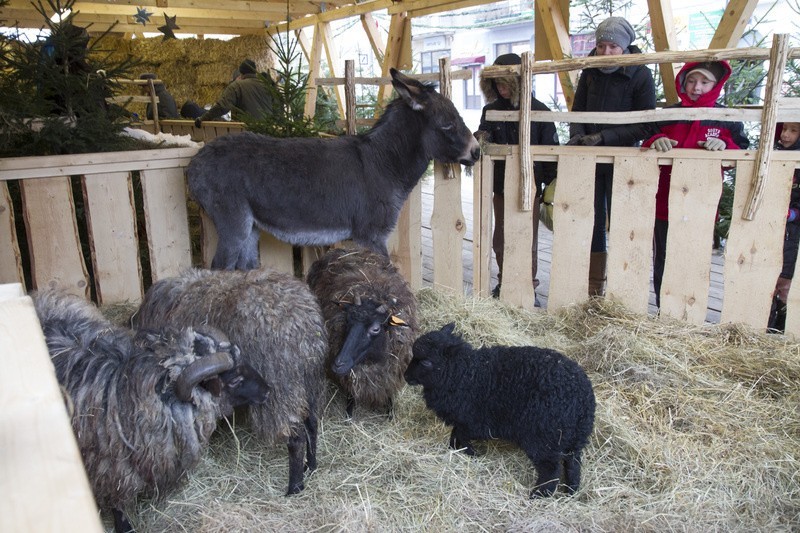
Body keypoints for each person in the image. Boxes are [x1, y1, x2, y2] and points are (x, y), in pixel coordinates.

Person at [642, 60, 750, 308]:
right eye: (691, 80)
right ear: (683, 82)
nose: (696, 87)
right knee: (665, 258)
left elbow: (741, 151)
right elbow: (647, 138)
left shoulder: (727, 118)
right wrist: (656, 140)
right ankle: (664, 310)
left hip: (702, 202)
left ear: (716, 84)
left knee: (696, 257)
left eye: (704, 82)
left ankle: (692, 308)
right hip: (665, 203)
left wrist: (726, 148)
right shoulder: (670, 114)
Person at [567, 16, 657, 296]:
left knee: (621, 219)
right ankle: (594, 286)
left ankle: (622, 284)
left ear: (625, 47)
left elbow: (646, 123)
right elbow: (578, 110)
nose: (605, 53)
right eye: (602, 46)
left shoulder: (640, 73)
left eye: (613, 47)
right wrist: (578, 135)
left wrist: (605, 137)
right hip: (589, 156)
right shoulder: (589, 70)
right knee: (590, 216)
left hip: (623, 157)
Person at [475, 53, 559, 305]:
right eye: (496, 84)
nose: (500, 89)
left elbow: (550, 153)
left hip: (529, 188)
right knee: (500, 238)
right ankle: (504, 282)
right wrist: (481, 138)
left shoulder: (541, 111)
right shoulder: (490, 110)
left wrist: (545, 187)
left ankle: (527, 286)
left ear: (517, 83)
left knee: (526, 239)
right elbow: (484, 136)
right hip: (500, 187)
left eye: (505, 83)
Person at [768, 122, 800, 332]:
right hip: (770, 225)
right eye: (783, 128)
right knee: (768, 277)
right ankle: (768, 322)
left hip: (793, 229)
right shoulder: (771, 153)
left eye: (793, 130)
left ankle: (781, 324)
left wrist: (793, 213)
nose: (786, 134)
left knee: (786, 281)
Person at [194, 59, 273, 126]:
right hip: (268, 131)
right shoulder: (267, 86)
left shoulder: (237, 86)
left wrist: (202, 119)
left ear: (241, 73)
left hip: (245, 132)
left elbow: (222, 107)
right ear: (255, 71)